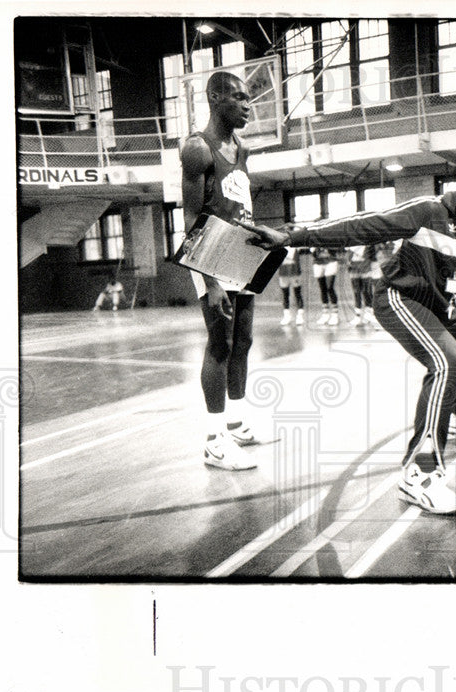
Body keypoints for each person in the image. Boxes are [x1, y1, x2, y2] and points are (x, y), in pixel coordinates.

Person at [240, 157, 456, 514]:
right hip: (400, 296)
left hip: (441, 306)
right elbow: (362, 226)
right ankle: (419, 475)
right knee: (447, 361)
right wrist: (292, 236)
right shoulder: (429, 211)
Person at [179, 70, 260, 471]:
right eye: (240, 98)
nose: (249, 106)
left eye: (250, 99)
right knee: (220, 343)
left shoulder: (240, 148)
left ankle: (237, 421)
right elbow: (192, 216)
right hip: (210, 251)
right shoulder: (198, 148)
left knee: (243, 339)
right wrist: (210, 280)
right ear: (214, 98)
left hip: (242, 251)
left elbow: (238, 204)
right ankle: (214, 440)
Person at [278, 245, 307, 326]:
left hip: (295, 273)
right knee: (285, 294)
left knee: (297, 293)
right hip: (283, 273)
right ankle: (287, 316)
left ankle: (300, 316)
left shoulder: (296, 246)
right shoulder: (280, 247)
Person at [312, 246, 340, 326]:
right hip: (318, 262)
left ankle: (335, 315)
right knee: (322, 288)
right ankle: (325, 314)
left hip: (330, 261)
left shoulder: (331, 233)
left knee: (330, 287)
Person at [349, 245, 376, 326]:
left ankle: (369, 314)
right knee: (356, 292)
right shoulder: (351, 242)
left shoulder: (368, 243)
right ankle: (358, 316)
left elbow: (373, 254)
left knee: (367, 291)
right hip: (354, 268)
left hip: (366, 267)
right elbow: (347, 255)